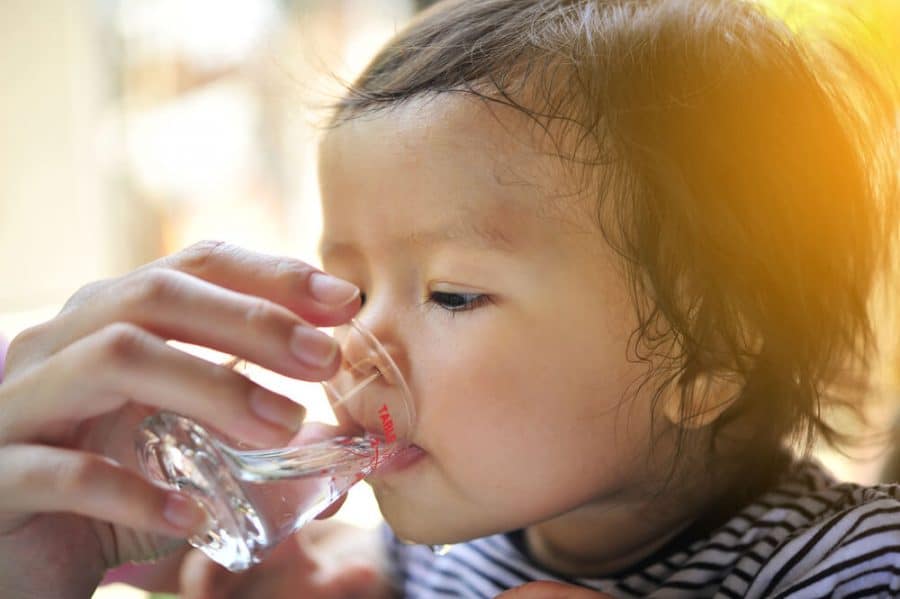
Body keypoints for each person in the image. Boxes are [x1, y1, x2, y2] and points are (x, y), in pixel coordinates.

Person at [1, 0, 898, 597]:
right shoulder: (422, 562)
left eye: (452, 293)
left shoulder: (851, 567)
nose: (356, 344)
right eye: (349, 288)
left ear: (706, 358)